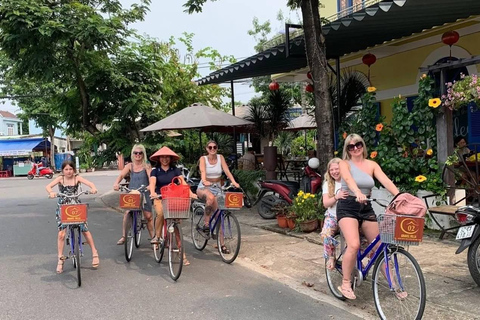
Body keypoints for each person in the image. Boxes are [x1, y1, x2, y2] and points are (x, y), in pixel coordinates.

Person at [337, 133, 400, 300]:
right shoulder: (344, 163)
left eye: (358, 144)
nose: (355, 148)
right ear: (347, 149)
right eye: (351, 146)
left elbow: (386, 182)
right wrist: (357, 192)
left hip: (366, 207)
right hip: (348, 206)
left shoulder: (372, 165)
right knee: (354, 244)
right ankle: (345, 283)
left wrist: (401, 197)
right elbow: (349, 180)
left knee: (379, 246)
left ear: (363, 145)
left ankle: (394, 284)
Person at [46, 160, 99, 274]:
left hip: (75, 205)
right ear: (63, 170)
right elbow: (48, 186)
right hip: (63, 206)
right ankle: (60, 260)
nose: (69, 171)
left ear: (74, 170)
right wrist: (51, 192)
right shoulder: (60, 179)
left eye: (70, 169)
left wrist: (93, 189)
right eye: (66, 169)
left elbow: (91, 184)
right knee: (61, 234)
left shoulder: (77, 178)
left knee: (85, 229)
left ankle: (94, 253)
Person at [149, 146, 195, 266]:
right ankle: (157, 237)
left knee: (176, 225)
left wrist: (190, 193)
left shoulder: (175, 170)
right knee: (160, 213)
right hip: (159, 197)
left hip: (173, 198)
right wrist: (153, 193)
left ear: (170, 158)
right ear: (159, 159)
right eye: (162, 157)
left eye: (167, 157)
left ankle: (182, 254)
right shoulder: (155, 170)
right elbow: (152, 183)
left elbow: (182, 182)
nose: (164, 159)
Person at [196, 140, 240, 253]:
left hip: (217, 186)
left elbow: (227, 171)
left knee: (219, 215)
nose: (212, 149)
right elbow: (202, 171)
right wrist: (205, 180)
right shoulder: (203, 159)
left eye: (214, 147)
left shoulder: (220, 158)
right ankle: (206, 224)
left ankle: (222, 244)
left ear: (217, 148)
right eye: (210, 147)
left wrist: (234, 182)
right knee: (210, 198)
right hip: (204, 187)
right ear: (207, 149)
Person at [113, 144, 154, 245]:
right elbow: (121, 175)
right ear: (133, 154)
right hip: (132, 193)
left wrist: (150, 186)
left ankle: (154, 238)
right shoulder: (129, 166)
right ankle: (124, 236)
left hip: (144, 192)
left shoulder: (147, 165)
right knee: (127, 213)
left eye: (140, 153)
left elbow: (151, 178)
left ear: (143, 154)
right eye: (136, 153)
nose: (138, 155)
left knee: (148, 216)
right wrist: (116, 183)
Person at [320, 158, 349, 270]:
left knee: (360, 240)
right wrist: (337, 197)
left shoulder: (348, 181)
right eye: (332, 169)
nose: (334, 172)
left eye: (337, 169)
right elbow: (326, 203)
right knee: (326, 234)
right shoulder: (328, 184)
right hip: (333, 216)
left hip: (347, 215)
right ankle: (331, 257)